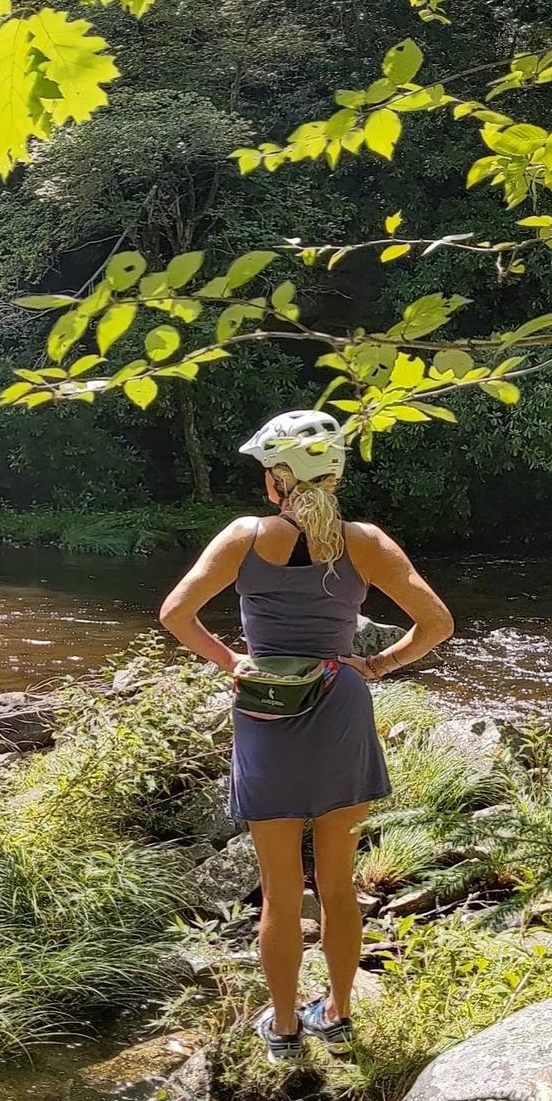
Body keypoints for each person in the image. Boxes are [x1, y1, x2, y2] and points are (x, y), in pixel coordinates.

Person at [159, 410, 454, 1063]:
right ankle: (340, 1014)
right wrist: (374, 665)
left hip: (266, 714)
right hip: (340, 707)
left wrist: (229, 660)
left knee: (281, 891)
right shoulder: (366, 542)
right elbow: (437, 623)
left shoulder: (242, 537)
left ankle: (286, 1028)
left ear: (277, 481)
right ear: (335, 473)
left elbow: (174, 614)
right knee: (340, 884)